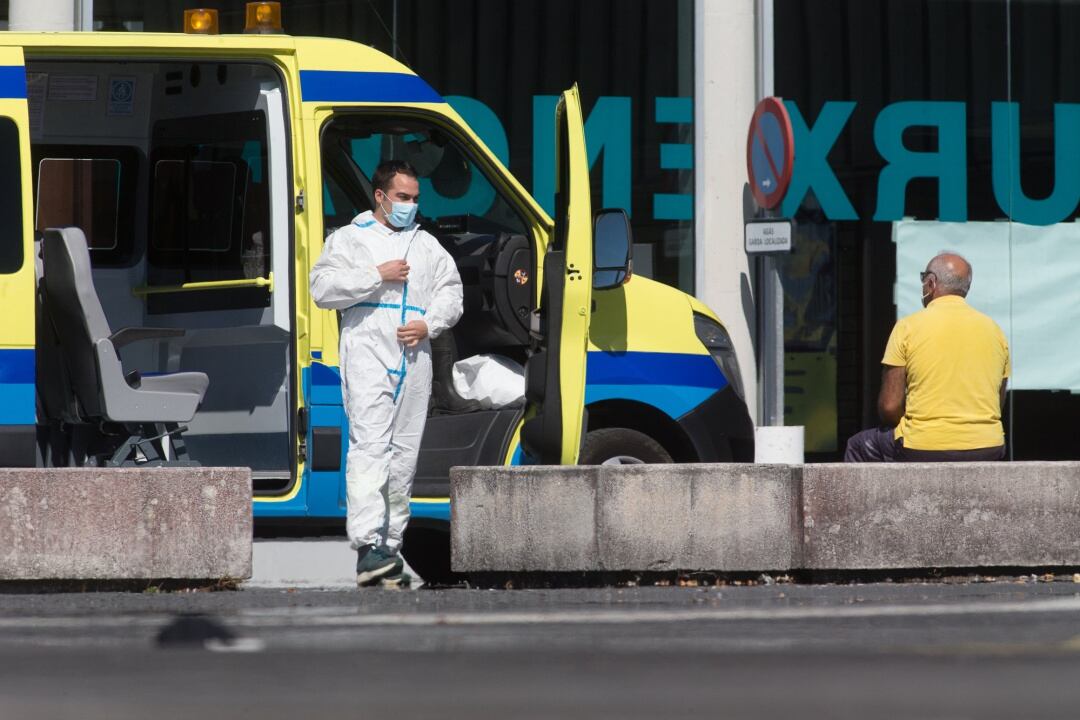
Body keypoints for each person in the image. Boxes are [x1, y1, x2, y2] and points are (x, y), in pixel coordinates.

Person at [310, 160, 463, 587]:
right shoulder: (350, 238)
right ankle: (366, 545)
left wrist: (429, 324)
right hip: (367, 347)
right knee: (370, 446)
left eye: (414, 199)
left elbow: (452, 292)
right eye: (402, 197)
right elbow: (321, 288)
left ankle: (388, 548)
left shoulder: (427, 246)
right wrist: (376, 276)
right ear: (380, 196)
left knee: (404, 455)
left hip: (415, 352)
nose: (409, 205)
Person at [844, 252, 1009, 462]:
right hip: (989, 445)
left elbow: (889, 406)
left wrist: (918, 427)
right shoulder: (994, 330)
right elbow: (998, 402)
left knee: (858, 446)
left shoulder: (908, 327)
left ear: (931, 283)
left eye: (923, 279)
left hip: (922, 445)